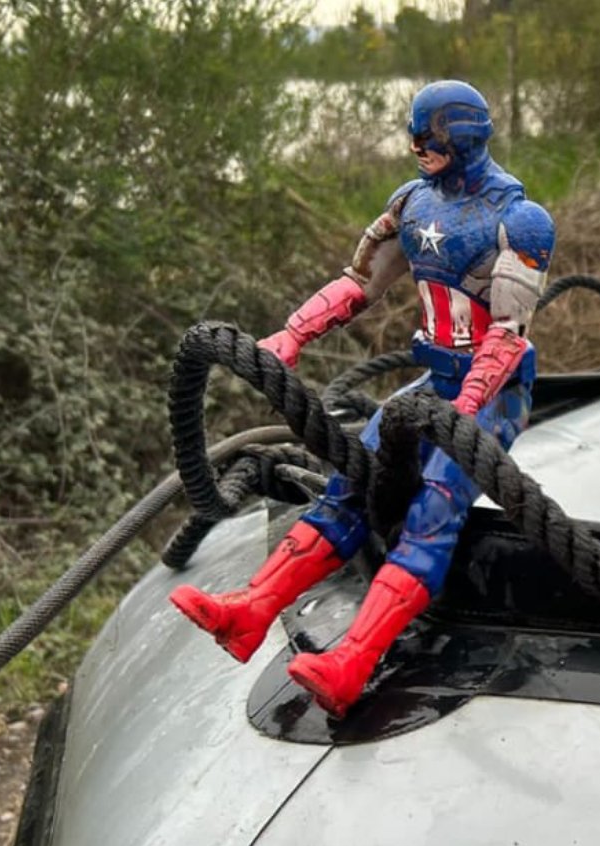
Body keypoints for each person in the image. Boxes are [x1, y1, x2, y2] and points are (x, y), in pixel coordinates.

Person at [168, 80, 555, 717]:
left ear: (461, 134)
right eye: (412, 131)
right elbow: (358, 283)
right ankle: (252, 608)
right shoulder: (412, 204)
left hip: (493, 392)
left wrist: (465, 413)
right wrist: (292, 334)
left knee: (433, 510)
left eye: (427, 133)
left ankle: (354, 660)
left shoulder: (518, 219)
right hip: (434, 378)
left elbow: (509, 337)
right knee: (351, 484)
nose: (414, 145)